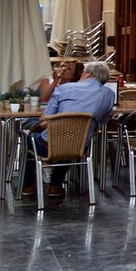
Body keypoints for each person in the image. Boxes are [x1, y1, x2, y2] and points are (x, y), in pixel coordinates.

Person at [21, 61, 117, 198]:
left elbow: (43, 122)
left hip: (48, 145)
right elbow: (101, 122)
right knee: (70, 139)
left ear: (88, 74)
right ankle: (55, 186)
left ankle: (27, 186)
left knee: (29, 134)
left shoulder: (65, 88)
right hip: (80, 146)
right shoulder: (109, 94)